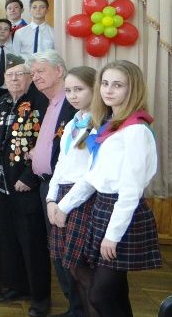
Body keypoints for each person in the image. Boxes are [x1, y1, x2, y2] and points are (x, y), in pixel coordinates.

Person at [52, 60, 161, 317]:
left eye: (117, 85)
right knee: (115, 292)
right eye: (105, 83)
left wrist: (112, 235)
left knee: (99, 294)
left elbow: (131, 191)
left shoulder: (135, 130)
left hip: (121, 213)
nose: (108, 90)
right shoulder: (111, 124)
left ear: (132, 89)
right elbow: (93, 176)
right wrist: (63, 206)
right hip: (102, 208)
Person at [0, 54, 51, 316]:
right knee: (8, 239)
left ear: (30, 77)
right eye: (10, 75)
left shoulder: (41, 102)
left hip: (27, 184)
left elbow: (46, 145)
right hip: (2, 183)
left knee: (32, 242)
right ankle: (15, 286)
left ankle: (40, 297)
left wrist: (30, 177)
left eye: (20, 74)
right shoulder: (2, 102)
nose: (14, 79)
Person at [27, 50, 80, 317]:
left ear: (59, 71)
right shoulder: (49, 102)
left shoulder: (70, 104)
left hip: (65, 189)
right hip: (46, 186)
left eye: (41, 71)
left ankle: (79, 308)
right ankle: (75, 307)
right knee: (57, 250)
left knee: (66, 252)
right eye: (33, 73)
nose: (35, 77)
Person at [44, 66, 98, 317]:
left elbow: (93, 174)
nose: (73, 95)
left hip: (83, 198)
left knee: (84, 269)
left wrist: (64, 205)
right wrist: (51, 199)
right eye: (68, 90)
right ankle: (78, 311)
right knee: (71, 268)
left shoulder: (100, 125)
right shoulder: (72, 123)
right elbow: (61, 164)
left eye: (79, 89)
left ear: (94, 89)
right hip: (62, 196)